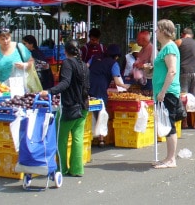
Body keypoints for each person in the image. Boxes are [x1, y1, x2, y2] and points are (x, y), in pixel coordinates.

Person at [40, 40, 89, 177]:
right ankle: (77, 169)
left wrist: (49, 91)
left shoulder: (67, 63)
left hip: (70, 106)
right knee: (77, 137)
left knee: (60, 138)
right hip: (83, 106)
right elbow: (86, 86)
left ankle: (61, 169)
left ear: (65, 51)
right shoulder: (84, 66)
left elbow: (65, 83)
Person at [152, 19, 181, 169]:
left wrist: (163, 91)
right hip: (163, 91)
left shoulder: (169, 48)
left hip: (168, 92)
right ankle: (168, 157)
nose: (155, 32)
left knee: (169, 125)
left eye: (157, 29)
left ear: (163, 31)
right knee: (166, 124)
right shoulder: (164, 48)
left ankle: (171, 159)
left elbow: (172, 70)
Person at [88, 44, 130, 146]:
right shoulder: (113, 64)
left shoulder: (94, 57)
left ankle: (89, 136)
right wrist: (126, 86)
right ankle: (101, 139)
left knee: (89, 110)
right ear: (116, 56)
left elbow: (86, 67)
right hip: (100, 89)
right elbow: (117, 81)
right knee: (100, 111)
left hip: (88, 85)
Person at [178, 27, 195, 129]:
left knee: (184, 97)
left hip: (184, 71)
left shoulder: (179, 41)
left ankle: (185, 123)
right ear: (191, 35)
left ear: (182, 34)